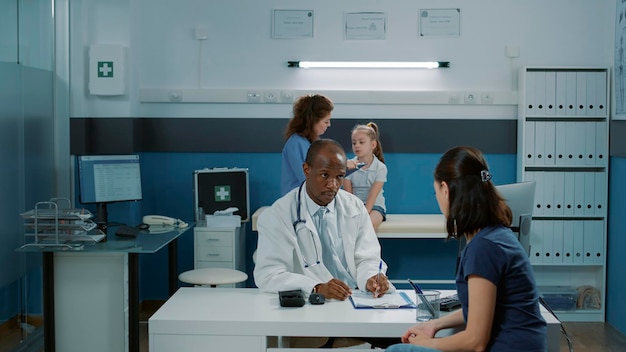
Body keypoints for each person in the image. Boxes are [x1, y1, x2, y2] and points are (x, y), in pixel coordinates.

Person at [387, 146, 546, 352]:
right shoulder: (497, 235)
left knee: (397, 351)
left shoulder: (483, 248)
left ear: (445, 189)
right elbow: (480, 310)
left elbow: (475, 342)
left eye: (435, 192)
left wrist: (429, 344)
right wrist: (435, 324)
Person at [255, 138, 391, 299]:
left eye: (340, 176)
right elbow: (268, 274)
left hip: (353, 297)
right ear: (306, 170)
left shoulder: (354, 207)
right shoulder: (278, 215)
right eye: (325, 175)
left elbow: (368, 257)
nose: (333, 184)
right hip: (307, 301)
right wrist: (316, 287)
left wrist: (371, 278)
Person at [280, 94, 334, 196]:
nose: (329, 125)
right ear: (313, 121)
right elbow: (309, 178)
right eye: (326, 121)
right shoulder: (296, 143)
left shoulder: (309, 143)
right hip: (297, 200)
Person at [343, 122, 387, 230]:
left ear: (373, 145)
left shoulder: (380, 168)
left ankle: (367, 247)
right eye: (354, 143)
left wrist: (362, 215)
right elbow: (348, 196)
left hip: (375, 207)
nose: (357, 145)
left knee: (367, 225)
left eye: (361, 142)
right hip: (354, 207)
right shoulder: (348, 166)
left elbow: (372, 197)